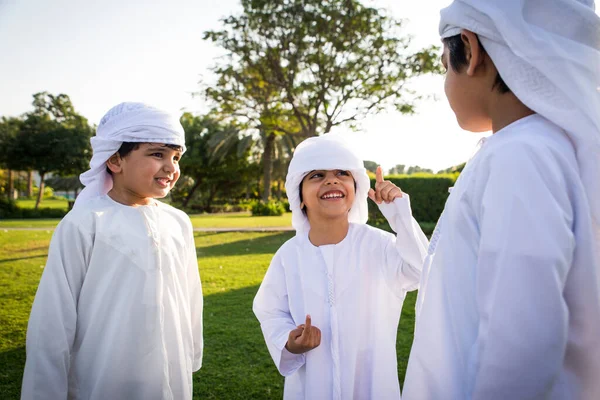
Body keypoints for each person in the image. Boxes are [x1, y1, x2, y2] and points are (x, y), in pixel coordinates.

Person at [403, 1, 600, 399]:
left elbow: (521, 344)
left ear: (470, 50)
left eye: (444, 65)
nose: (445, 81)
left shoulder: (521, 154)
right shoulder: (537, 148)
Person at [21, 102, 204, 400]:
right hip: (102, 374)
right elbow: (53, 318)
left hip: (171, 373)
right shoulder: (85, 222)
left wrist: (190, 354)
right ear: (115, 160)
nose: (171, 167)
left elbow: (191, 297)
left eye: (176, 156)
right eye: (157, 154)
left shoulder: (178, 222)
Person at [253, 135, 428, 399]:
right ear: (298, 196)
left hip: (372, 382)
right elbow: (269, 310)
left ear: (356, 189)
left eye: (342, 173)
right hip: (312, 384)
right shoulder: (289, 255)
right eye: (317, 175)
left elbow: (421, 271)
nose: (332, 180)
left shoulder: (380, 245)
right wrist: (289, 341)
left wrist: (399, 214)